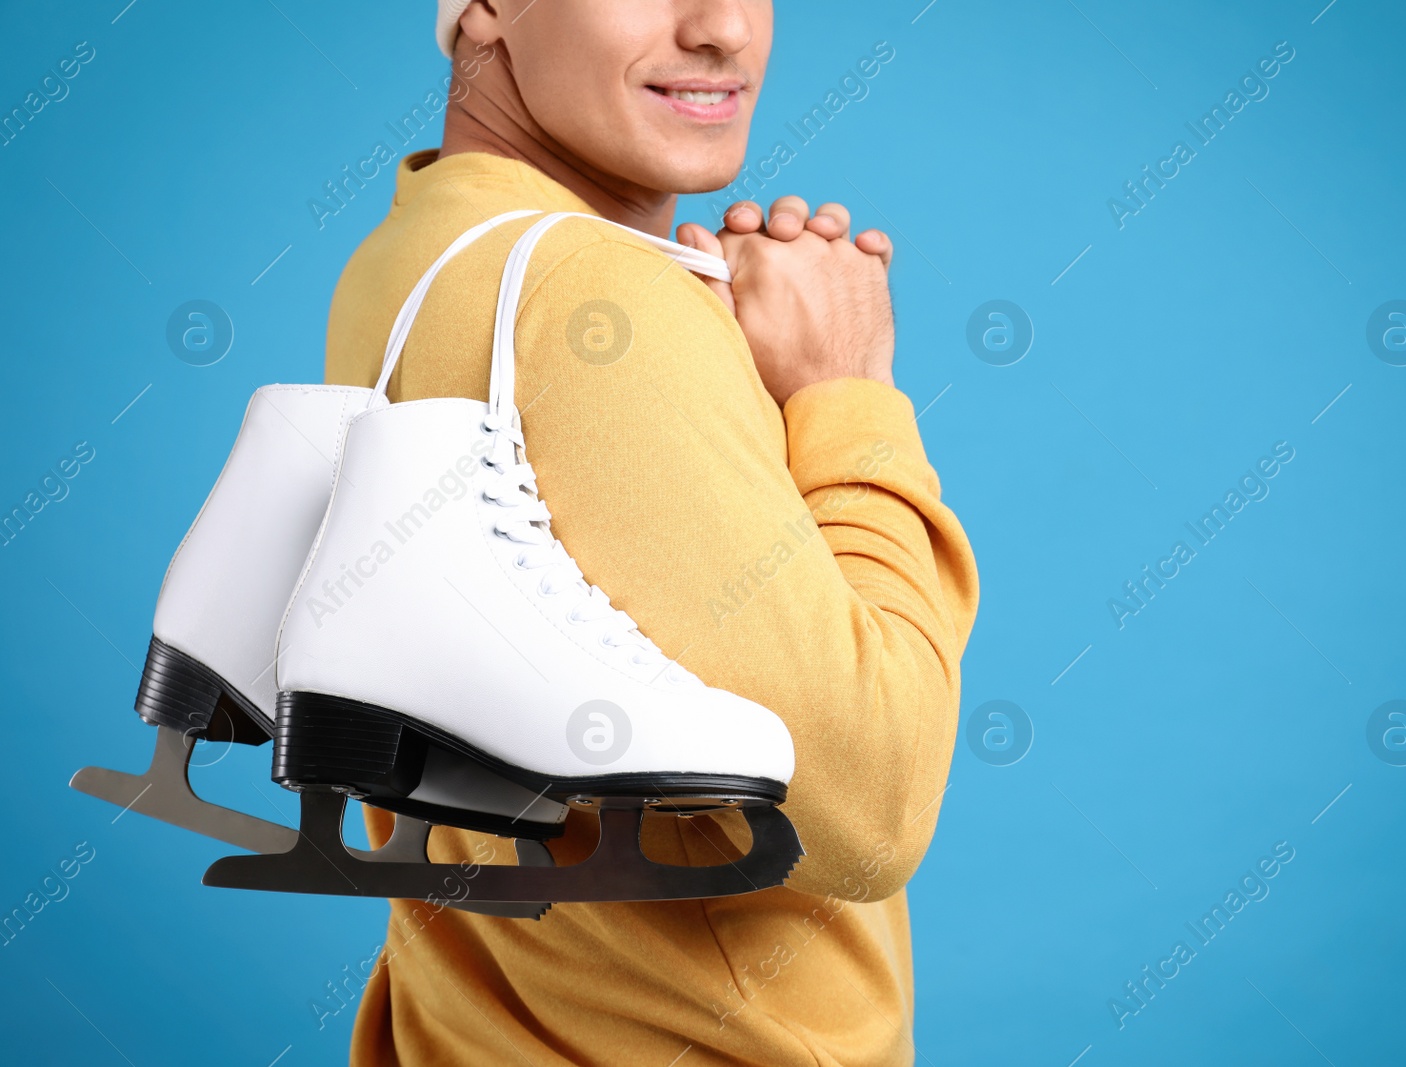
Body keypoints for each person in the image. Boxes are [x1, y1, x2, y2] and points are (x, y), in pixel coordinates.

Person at [323, 2, 979, 1063]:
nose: (724, 29)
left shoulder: (416, 249)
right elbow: (869, 806)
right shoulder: (597, 297)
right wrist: (845, 392)